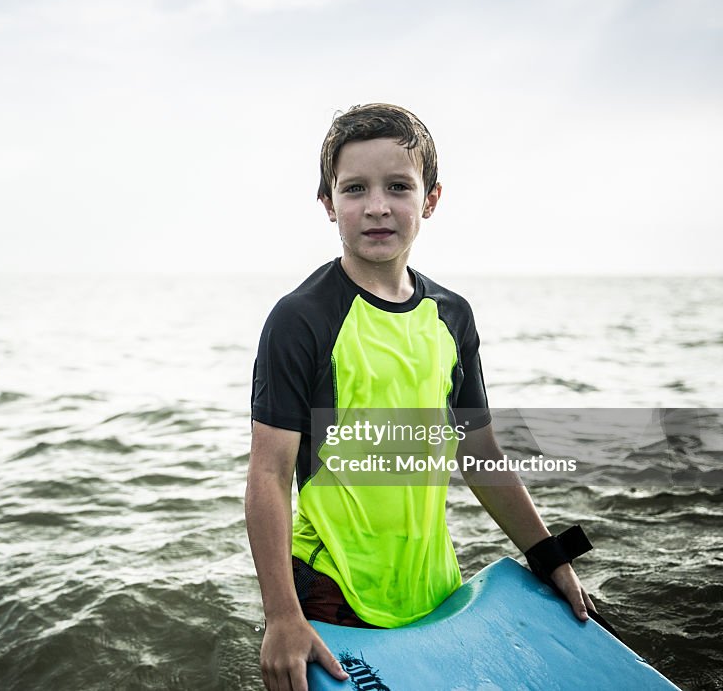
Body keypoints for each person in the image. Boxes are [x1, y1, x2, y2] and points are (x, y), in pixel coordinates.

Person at [245, 103, 598, 691]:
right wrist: (282, 614)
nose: (377, 206)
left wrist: (547, 554)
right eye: (355, 188)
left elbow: (478, 452)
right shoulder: (301, 318)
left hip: (434, 581)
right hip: (333, 585)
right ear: (329, 204)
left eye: (398, 187)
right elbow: (267, 473)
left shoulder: (452, 316)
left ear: (430, 199)